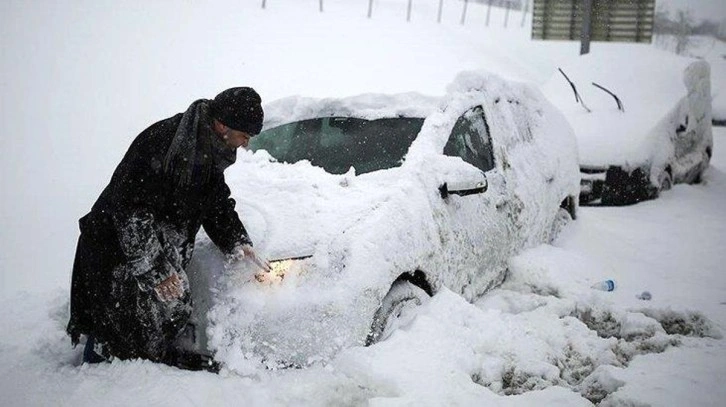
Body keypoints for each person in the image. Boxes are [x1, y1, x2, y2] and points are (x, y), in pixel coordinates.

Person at [67, 87, 271, 371]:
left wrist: (238, 241)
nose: (245, 145)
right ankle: (94, 384)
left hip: (150, 246)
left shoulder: (210, 149)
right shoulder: (163, 143)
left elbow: (214, 202)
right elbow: (131, 214)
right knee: (117, 328)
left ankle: (143, 374)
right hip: (116, 250)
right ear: (223, 125)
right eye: (245, 136)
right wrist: (158, 271)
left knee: (161, 316)